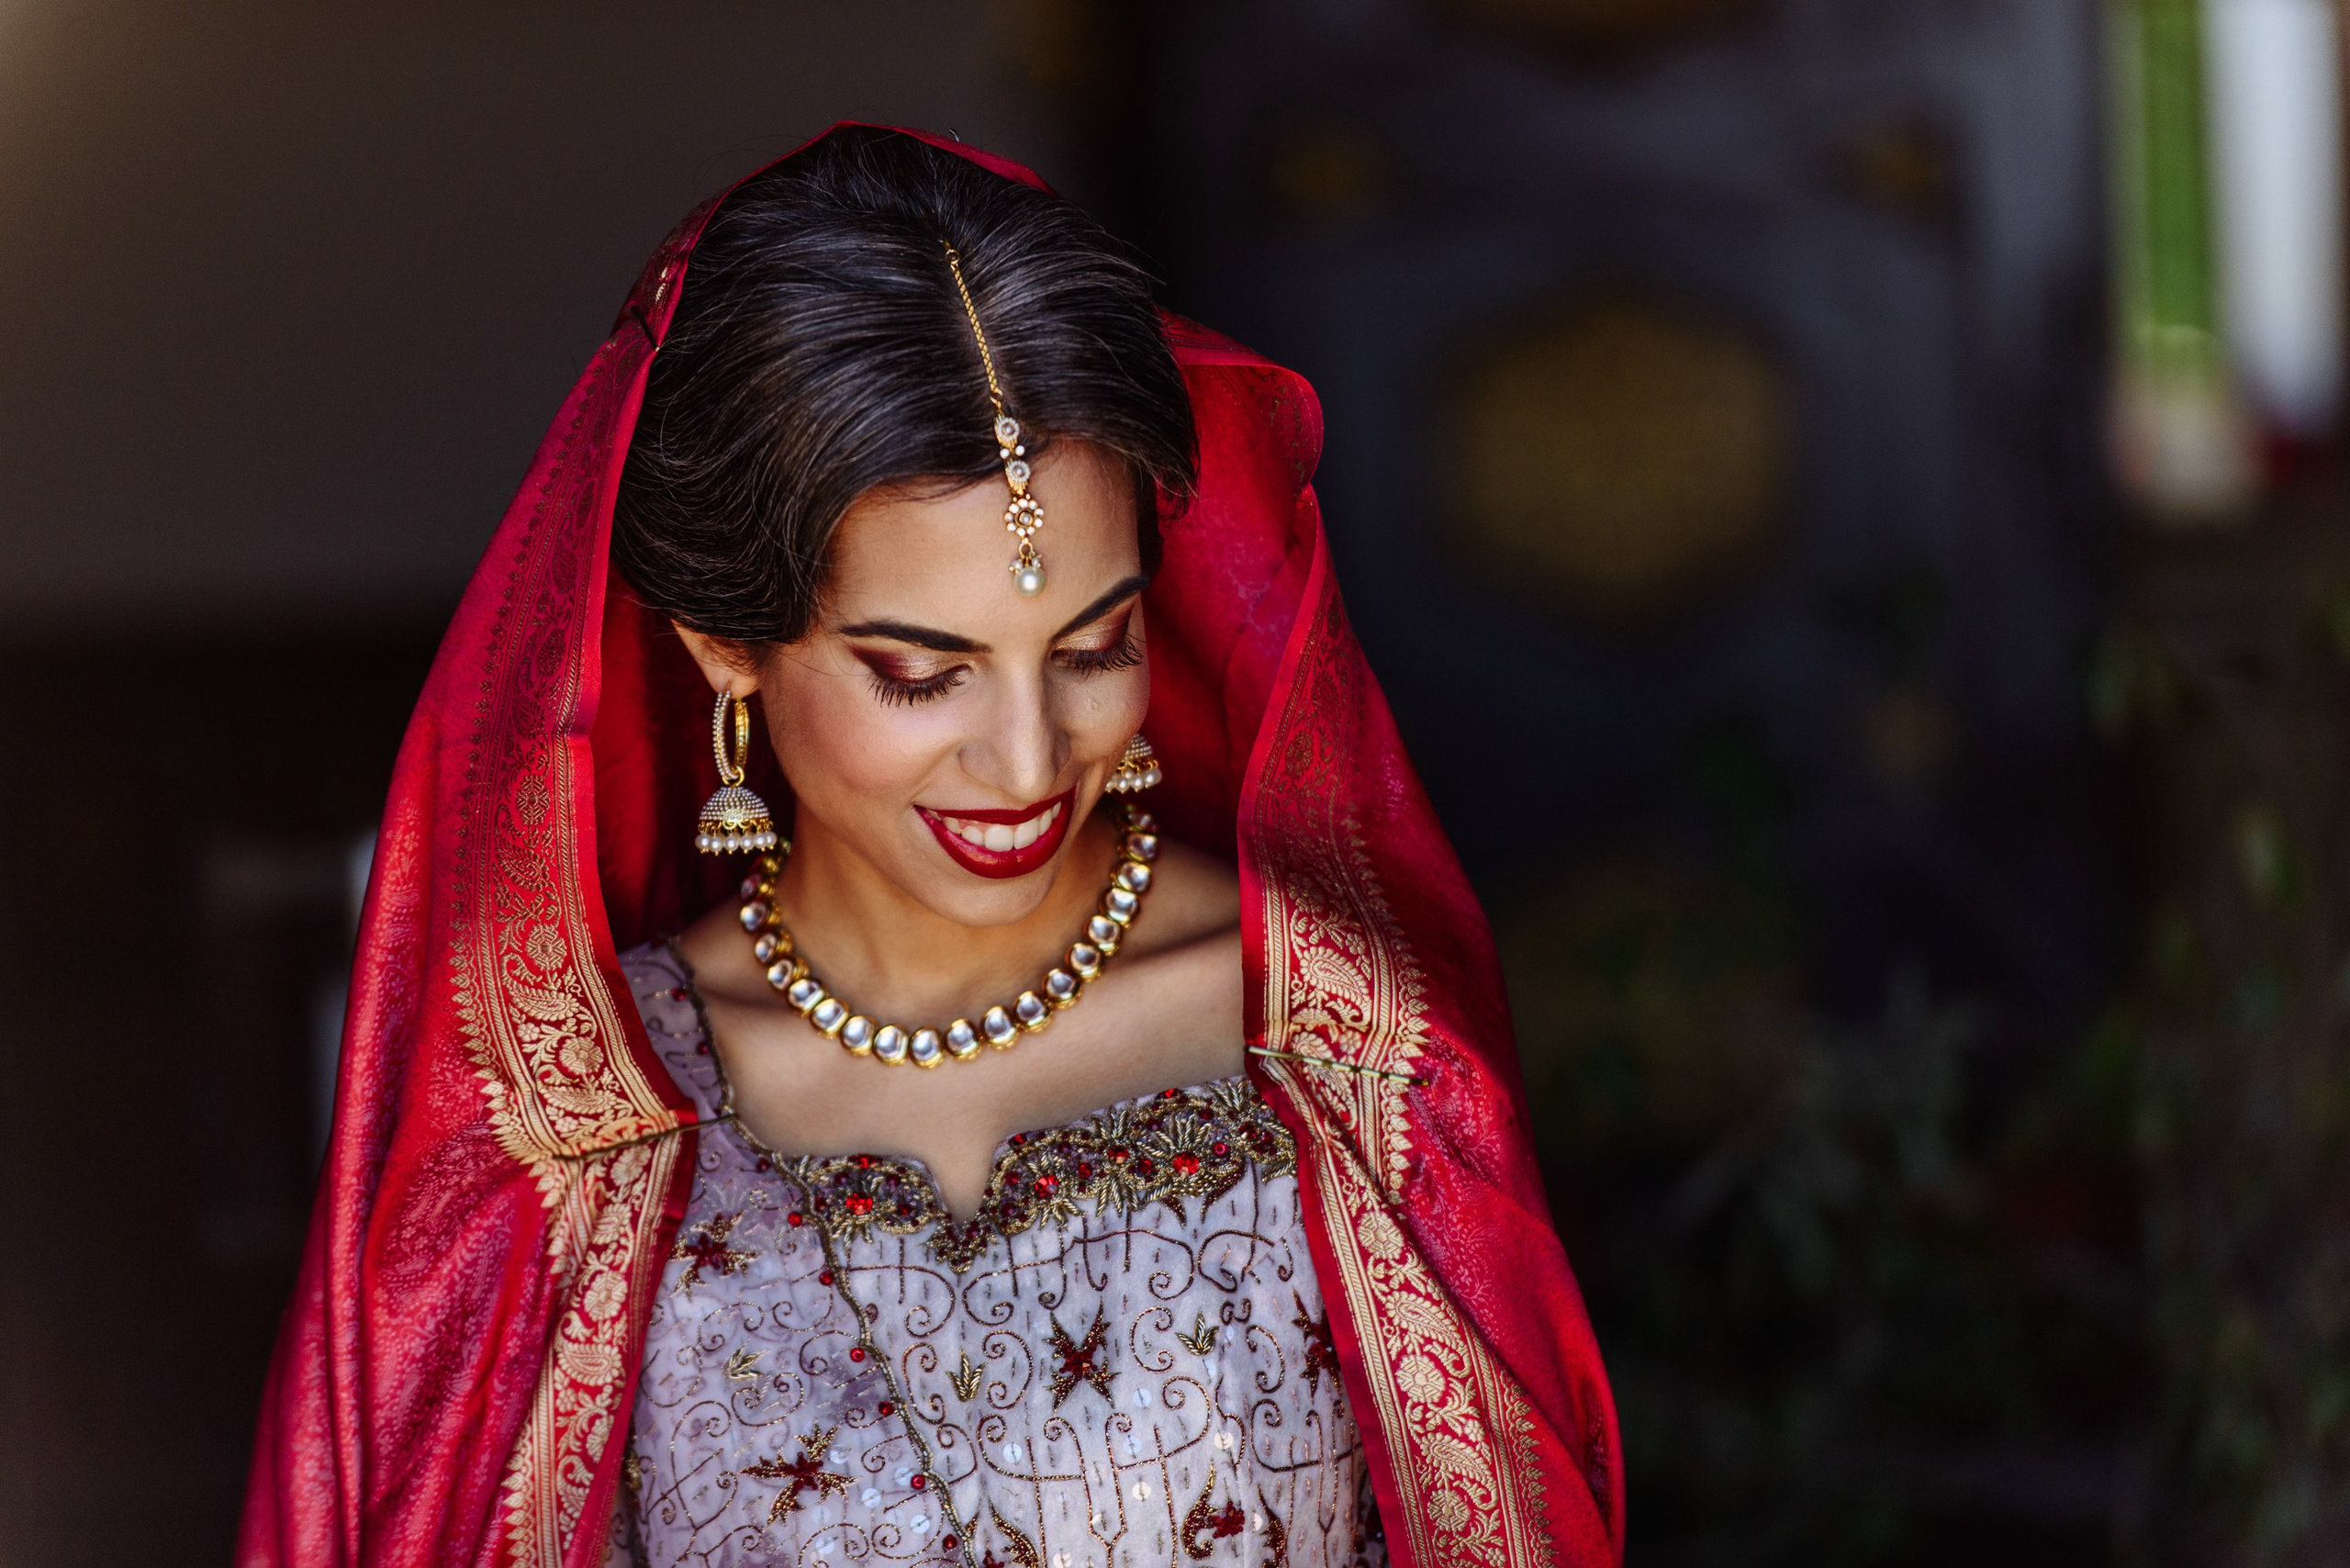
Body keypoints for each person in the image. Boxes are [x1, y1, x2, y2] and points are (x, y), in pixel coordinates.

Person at [239, 124, 1620, 1568]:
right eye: (922, 672)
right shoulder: (569, 1131)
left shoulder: (1341, 1055)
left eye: (1094, 647)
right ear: (726, 647)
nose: (1028, 760)